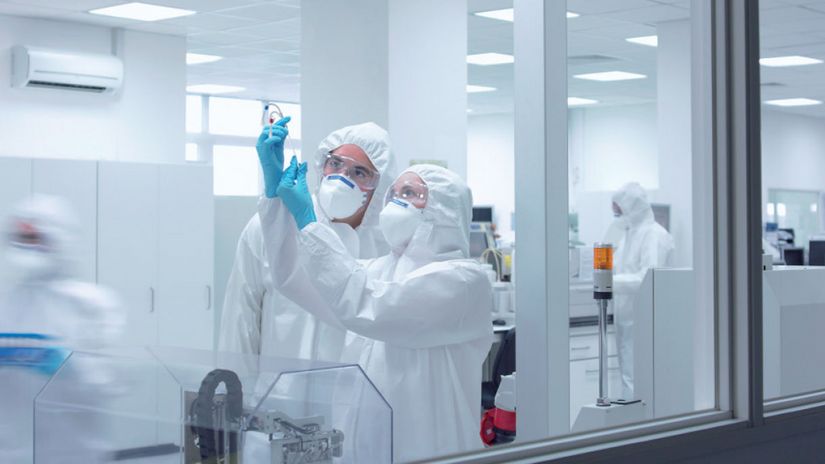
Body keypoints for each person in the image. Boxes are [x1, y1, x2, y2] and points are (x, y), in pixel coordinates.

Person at [258, 156, 494, 462]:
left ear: (444, 208)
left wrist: (310, 222)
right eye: (393, 193)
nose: (396, 200)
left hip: (430, 447)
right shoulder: (380, 270)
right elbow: (298, 279)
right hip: (364, 444)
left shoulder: (463, 280)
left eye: (409, 193)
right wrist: (275, 202)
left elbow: (370, 305)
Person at [218, 118, 396, 363]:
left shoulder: (386, 245)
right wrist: (236, 381)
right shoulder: (272, 224)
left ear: (380, 185)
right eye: (335, 163)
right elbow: (241, 313)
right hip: (278, 384)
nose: (342, 178)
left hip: (353, 384)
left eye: (359, 172)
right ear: (322, 165)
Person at [0, 195, 123, 463]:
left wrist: (68, 366)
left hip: (73, 450)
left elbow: (106, 385)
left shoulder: (91, 303)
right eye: (20, 238)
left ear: (60, 241)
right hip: (12, 450)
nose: (26, 246)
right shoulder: (5, 303)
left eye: (33, 238)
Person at [609, 182, 675, 400]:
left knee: (644, 378)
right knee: (629, 375)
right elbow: (619, 269)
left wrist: (609, 282)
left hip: (646, 318)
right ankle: (632, 414)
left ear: (632, 207)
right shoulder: (629, 235)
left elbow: (647, 278)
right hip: (627, 317)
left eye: (619, 210)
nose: (617, 215)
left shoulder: (654, 236)